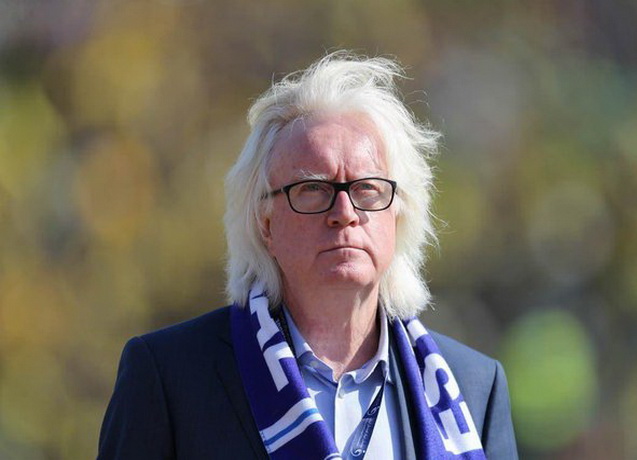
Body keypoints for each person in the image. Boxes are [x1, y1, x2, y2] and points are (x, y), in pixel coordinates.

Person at [98, 52, 518, 460]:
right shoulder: (171, 376)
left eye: (367, 188)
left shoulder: (473, 388)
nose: (345, 213)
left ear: (399, 214)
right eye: (312, 189)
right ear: (265, 222)